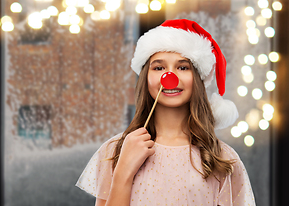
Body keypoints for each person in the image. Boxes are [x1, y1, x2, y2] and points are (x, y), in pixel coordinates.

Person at [75, 19, 256, 206]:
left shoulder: (222, 157)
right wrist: (123, 172)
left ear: (198, 79)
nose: (170, 77)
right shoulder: (115, 149)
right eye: (159, 67)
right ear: (146, 76)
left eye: (183, 67)